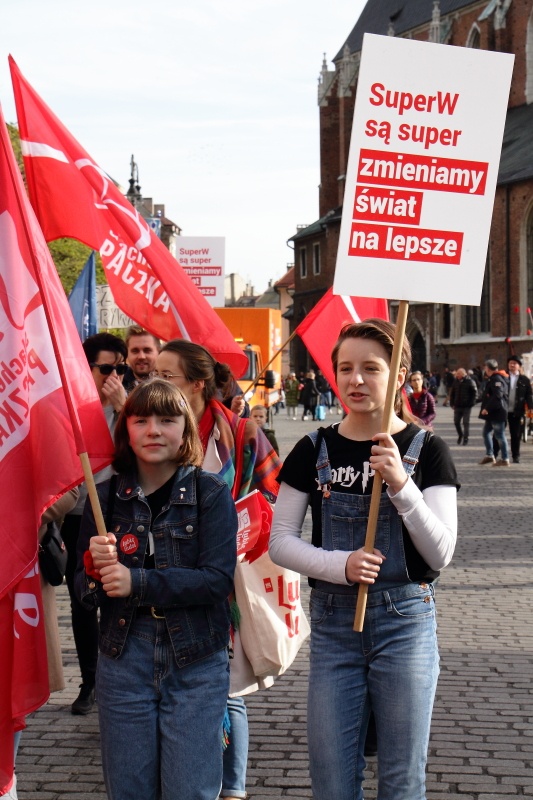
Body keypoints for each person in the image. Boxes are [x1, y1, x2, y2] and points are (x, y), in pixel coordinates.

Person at [269, 319, 458, 800]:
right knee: (332, 778)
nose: (356, 380)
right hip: (334, 629)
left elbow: (441, 553)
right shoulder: (313, 449)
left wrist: (401, 485)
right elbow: (281, 542)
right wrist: (341, 565)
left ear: (399, 375)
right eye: (346, 368)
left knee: (401, 780)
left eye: (371, 368)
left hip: (406, 623)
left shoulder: (427, 450)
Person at [75, 379, 237, 800]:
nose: (153, 430)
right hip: (123, 657)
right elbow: (82, 592)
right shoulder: (105, 498)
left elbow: (217, 579)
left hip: (196, 658)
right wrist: (93, 571)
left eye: (167, 420)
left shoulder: (210, 493)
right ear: (125, 428)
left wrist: (137, 581)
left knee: (190, 790)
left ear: (186, 429)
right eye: (141, 419)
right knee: (129, 790)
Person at [152, 340, 282, 800]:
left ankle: (233, 789)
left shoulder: (241, 434)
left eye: (167, 376)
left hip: (225, 579)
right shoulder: (154, 429)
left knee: (227, 687)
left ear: (197, 383)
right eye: (153, 373)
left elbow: (275, 498)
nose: (155, 381)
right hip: (164, 579)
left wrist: (238, 525)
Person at [61, 332, 128, 715]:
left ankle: (117, 678)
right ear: (86, 368)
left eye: (119, 369)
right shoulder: (72, 405)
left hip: (119, 514)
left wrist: (123, 408)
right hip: (76, 517)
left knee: (118, 596)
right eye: (106, 368)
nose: (114, 376)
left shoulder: (127, 406)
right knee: (82, 598)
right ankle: (90, 681)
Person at [478, 358, 510, 466]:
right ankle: (490, 455)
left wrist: (487, 408)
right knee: (486, 432)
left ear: (488, 368)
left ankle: (505, 458)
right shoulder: (495, 378)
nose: (485, 369)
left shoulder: (496, 378)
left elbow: (498, 395)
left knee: (500, 435)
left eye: (485, 367)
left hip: (497, 412)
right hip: (493, 413)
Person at [506, 355, 533, 463]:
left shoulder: (524, 380)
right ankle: (494, 453)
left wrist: (530, 407)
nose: (512, 365)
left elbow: (529, 395)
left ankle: (515, 455)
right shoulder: (504, 377)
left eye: (514, 363)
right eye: (510, 363)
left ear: (519, 366)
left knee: (516, 434)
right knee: (497, 432)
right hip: (503, 410)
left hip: (517, 410)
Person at [123, 325, 160, 392]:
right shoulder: (117, 384)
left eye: (147, 350)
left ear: (159, 352)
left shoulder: (171, 384)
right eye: (135, 351)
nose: (141, 356)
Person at [449, 367, 477, 445]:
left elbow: (475, 393)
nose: (457, 375)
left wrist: (472, 403)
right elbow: (452, 393)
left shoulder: (470, 381)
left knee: (465, 422)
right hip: (457, 405)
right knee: (456, 422)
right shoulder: (456, 381)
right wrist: (452, 403)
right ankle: (460, 434)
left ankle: (466, 437)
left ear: (463, 374)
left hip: (467, 406)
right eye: (456, 374)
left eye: (458, 374)